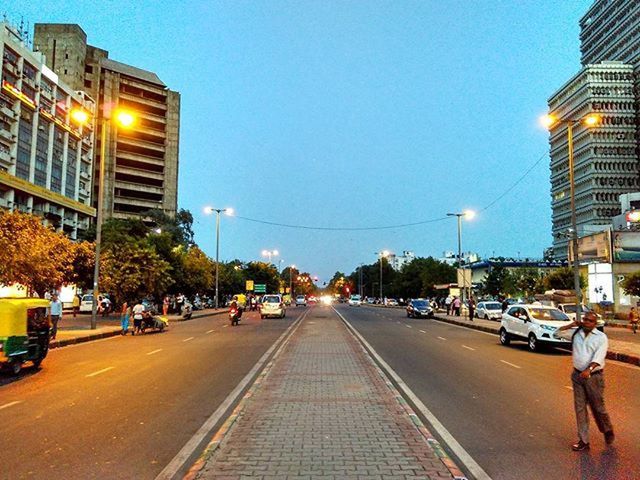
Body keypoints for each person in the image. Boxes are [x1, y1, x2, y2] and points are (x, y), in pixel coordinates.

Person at [555, 312, 614, 451]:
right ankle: (584, 441)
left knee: (598, 407)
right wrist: (571, 325)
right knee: (580, 408)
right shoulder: (576, 333)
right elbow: (557, 333)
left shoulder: (601, 337)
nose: (586, 322)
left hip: (593, 377)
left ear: (595, 323)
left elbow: (599, 356)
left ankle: (607, 429)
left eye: (590, 321)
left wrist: (589, 369)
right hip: (577, 376)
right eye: (585, 319)